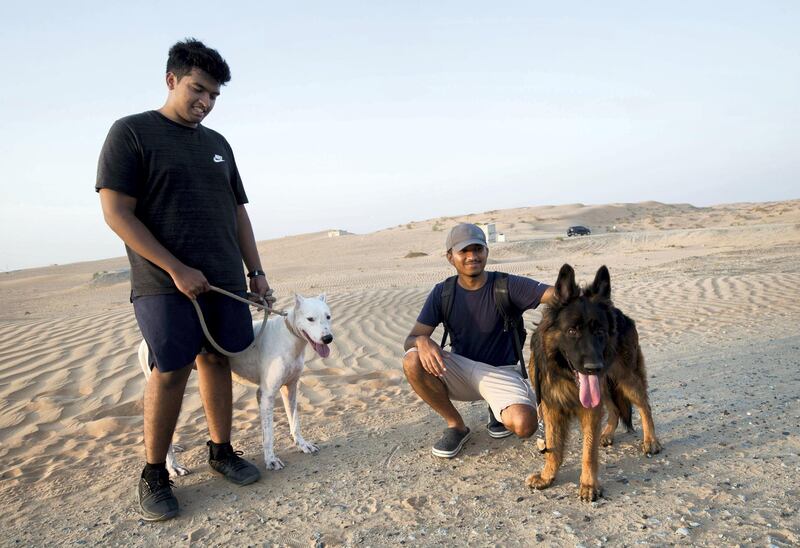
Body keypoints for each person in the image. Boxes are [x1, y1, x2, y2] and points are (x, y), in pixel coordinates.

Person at [96, 39, 269, 521]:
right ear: (171, 80)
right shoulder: (131, 133)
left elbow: (238, 213)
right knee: (170, 370)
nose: (206, 102)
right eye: (198, 89)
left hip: (223, 279)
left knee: (217, 359)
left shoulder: (218, 145)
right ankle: (154, 472)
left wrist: (254, 272)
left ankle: (221, 451)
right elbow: (116, 212)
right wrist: (176, 268)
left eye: (214, 95)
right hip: (161, 281)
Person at [402, 223, 555, 458]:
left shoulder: (506, 285)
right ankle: (456, 426)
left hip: (501, 373)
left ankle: (497, 410)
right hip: (460, 370)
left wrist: (588, 293)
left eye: (478, 249)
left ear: (486, 252)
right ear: (450, 257)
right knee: (412, 360)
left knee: (525, 425)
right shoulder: (443, 292)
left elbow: (556, 294)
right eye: (464, 251)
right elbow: (411, 339)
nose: (472, 256)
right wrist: (422, 342)